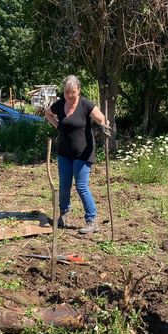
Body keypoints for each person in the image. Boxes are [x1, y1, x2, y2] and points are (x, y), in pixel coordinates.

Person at [44, 75, 110, 234]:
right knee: (64, 186)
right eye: (66, 92)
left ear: (78, 90)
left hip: (83, 153)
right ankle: (63, 215)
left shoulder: (85, 104)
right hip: (64, 153)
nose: (69, 95)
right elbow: (47, 113)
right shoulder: (60, 104)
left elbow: (101, 118)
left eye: (72, 92)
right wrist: (58, 125)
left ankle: (92, 220)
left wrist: (104, 127)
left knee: (81, 187)